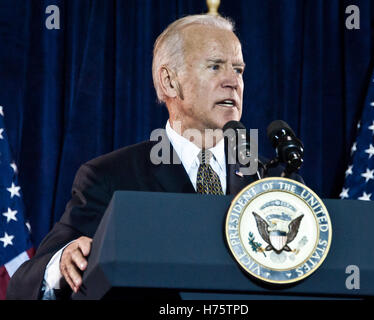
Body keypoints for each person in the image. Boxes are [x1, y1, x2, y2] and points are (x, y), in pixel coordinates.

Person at [6, 14, 303, 300]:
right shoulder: (110, 177)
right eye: (215, 67)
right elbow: (22, 284)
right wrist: (61, 263)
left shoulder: (272, 179)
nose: (232, 81)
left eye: (238, 69)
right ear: (169, 82)